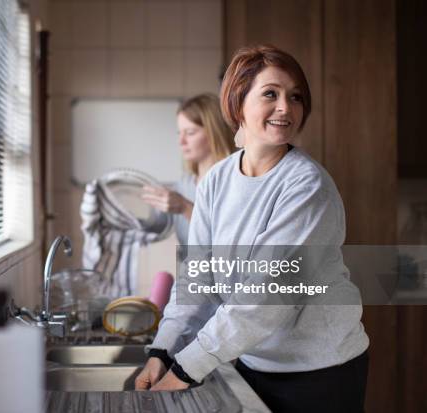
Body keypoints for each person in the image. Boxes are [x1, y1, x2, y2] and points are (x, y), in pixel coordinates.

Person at [135, 45, 369, 413]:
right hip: (252, 361)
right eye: (271, 94)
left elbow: (266, 296)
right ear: (237, 101)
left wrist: (186, 367)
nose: (286, 108)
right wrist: (162, 350)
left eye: (296, 97)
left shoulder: (306, 187)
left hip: (319, 370)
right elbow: (197, 280)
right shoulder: (216, 180)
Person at [141, 93, 234, 245]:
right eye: (180, 133)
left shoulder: (235, 183)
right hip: (189, 269)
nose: (181, 141)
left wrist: (186, 207)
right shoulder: (183, 186)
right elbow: (152, 231)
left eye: (190, 133)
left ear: (214, 133)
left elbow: (229, 242)